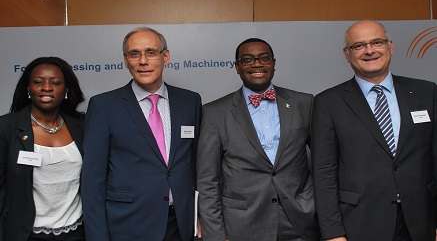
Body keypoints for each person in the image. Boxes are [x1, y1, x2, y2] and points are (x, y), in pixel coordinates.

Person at [311, 20, 437, 241]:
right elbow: (324, 172)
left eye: (377, 42)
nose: (370, 51)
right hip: (360, 223)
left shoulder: (426, 92)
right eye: (359, 46)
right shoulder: (329, 102)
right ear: (347, 54)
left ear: (390, 46)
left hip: (421, 221)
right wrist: (332, 233)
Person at [81, 27, 202, 241]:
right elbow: (93, 181)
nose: (143, 61)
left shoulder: (190, 102)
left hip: (180, 225)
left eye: (151, 52)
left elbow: (198, 165)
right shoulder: (104, 106)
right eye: (134, 54)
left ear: (166, 57)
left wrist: (201, 215)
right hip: (128, 226)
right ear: (126, 61)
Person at [196, 38, 320, 241]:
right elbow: (208, 181)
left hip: (301, 220)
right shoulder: (215, 113)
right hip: (243, 226)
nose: (257, 64)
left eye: (264, 58)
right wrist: (216, 236)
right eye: (247, 59)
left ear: (274, 64)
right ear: (237, 67)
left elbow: (325, 163)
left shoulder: (304, 103)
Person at [0, 56, 86, 241]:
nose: (46, 88)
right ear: (28, 89)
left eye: (55, 82)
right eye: (38, 82)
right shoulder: (7, 128)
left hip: (77, 233)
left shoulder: (82, 127)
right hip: (27, 234)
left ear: (66, 90)